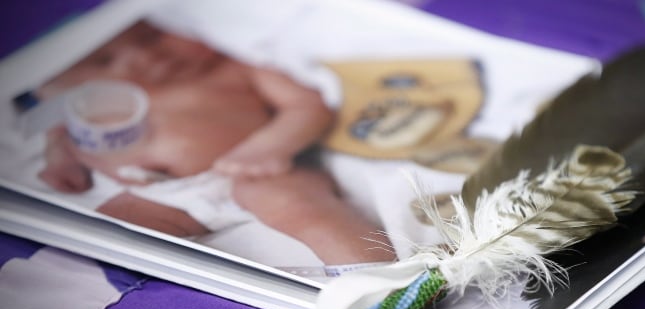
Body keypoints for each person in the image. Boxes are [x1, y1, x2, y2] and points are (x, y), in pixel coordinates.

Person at [35, 20, 395, 266]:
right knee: (106, 237)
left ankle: (378, 278)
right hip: (153, 194)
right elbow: (66, 130)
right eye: (106, 59)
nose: (143, 56)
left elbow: (307, 105)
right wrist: (61, 160)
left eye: (152, 37)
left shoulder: (239, 65)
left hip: (254, 172)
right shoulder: (105, 98)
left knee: (301, 209)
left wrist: (271, 146)